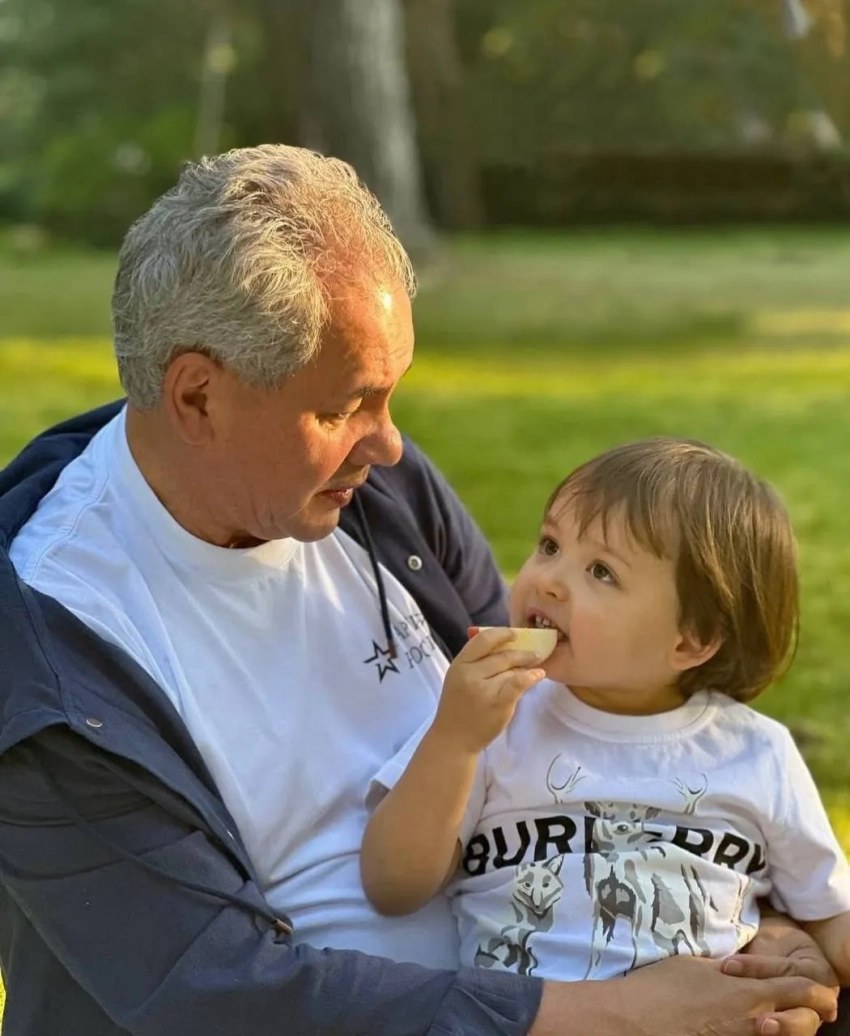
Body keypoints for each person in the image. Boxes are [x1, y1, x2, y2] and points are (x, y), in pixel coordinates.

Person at [0, 144, 840, 1036]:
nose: (390, 444)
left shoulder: (368, 490)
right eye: (343, 408)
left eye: (390, 396)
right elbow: (216, 994)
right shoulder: (55, 660)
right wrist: (618, 1011)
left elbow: (592, 748)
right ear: (198, 398)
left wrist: (743, 930)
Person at [361, 438, 850, 987]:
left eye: (601, 572)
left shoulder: (758, 753)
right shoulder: (490, 719)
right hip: (528, 1017)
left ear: (691, 640)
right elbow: (392, 886)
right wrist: (455, 741)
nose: (547, 579)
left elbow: (828, 910)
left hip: (708, 1016)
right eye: (550, 545)